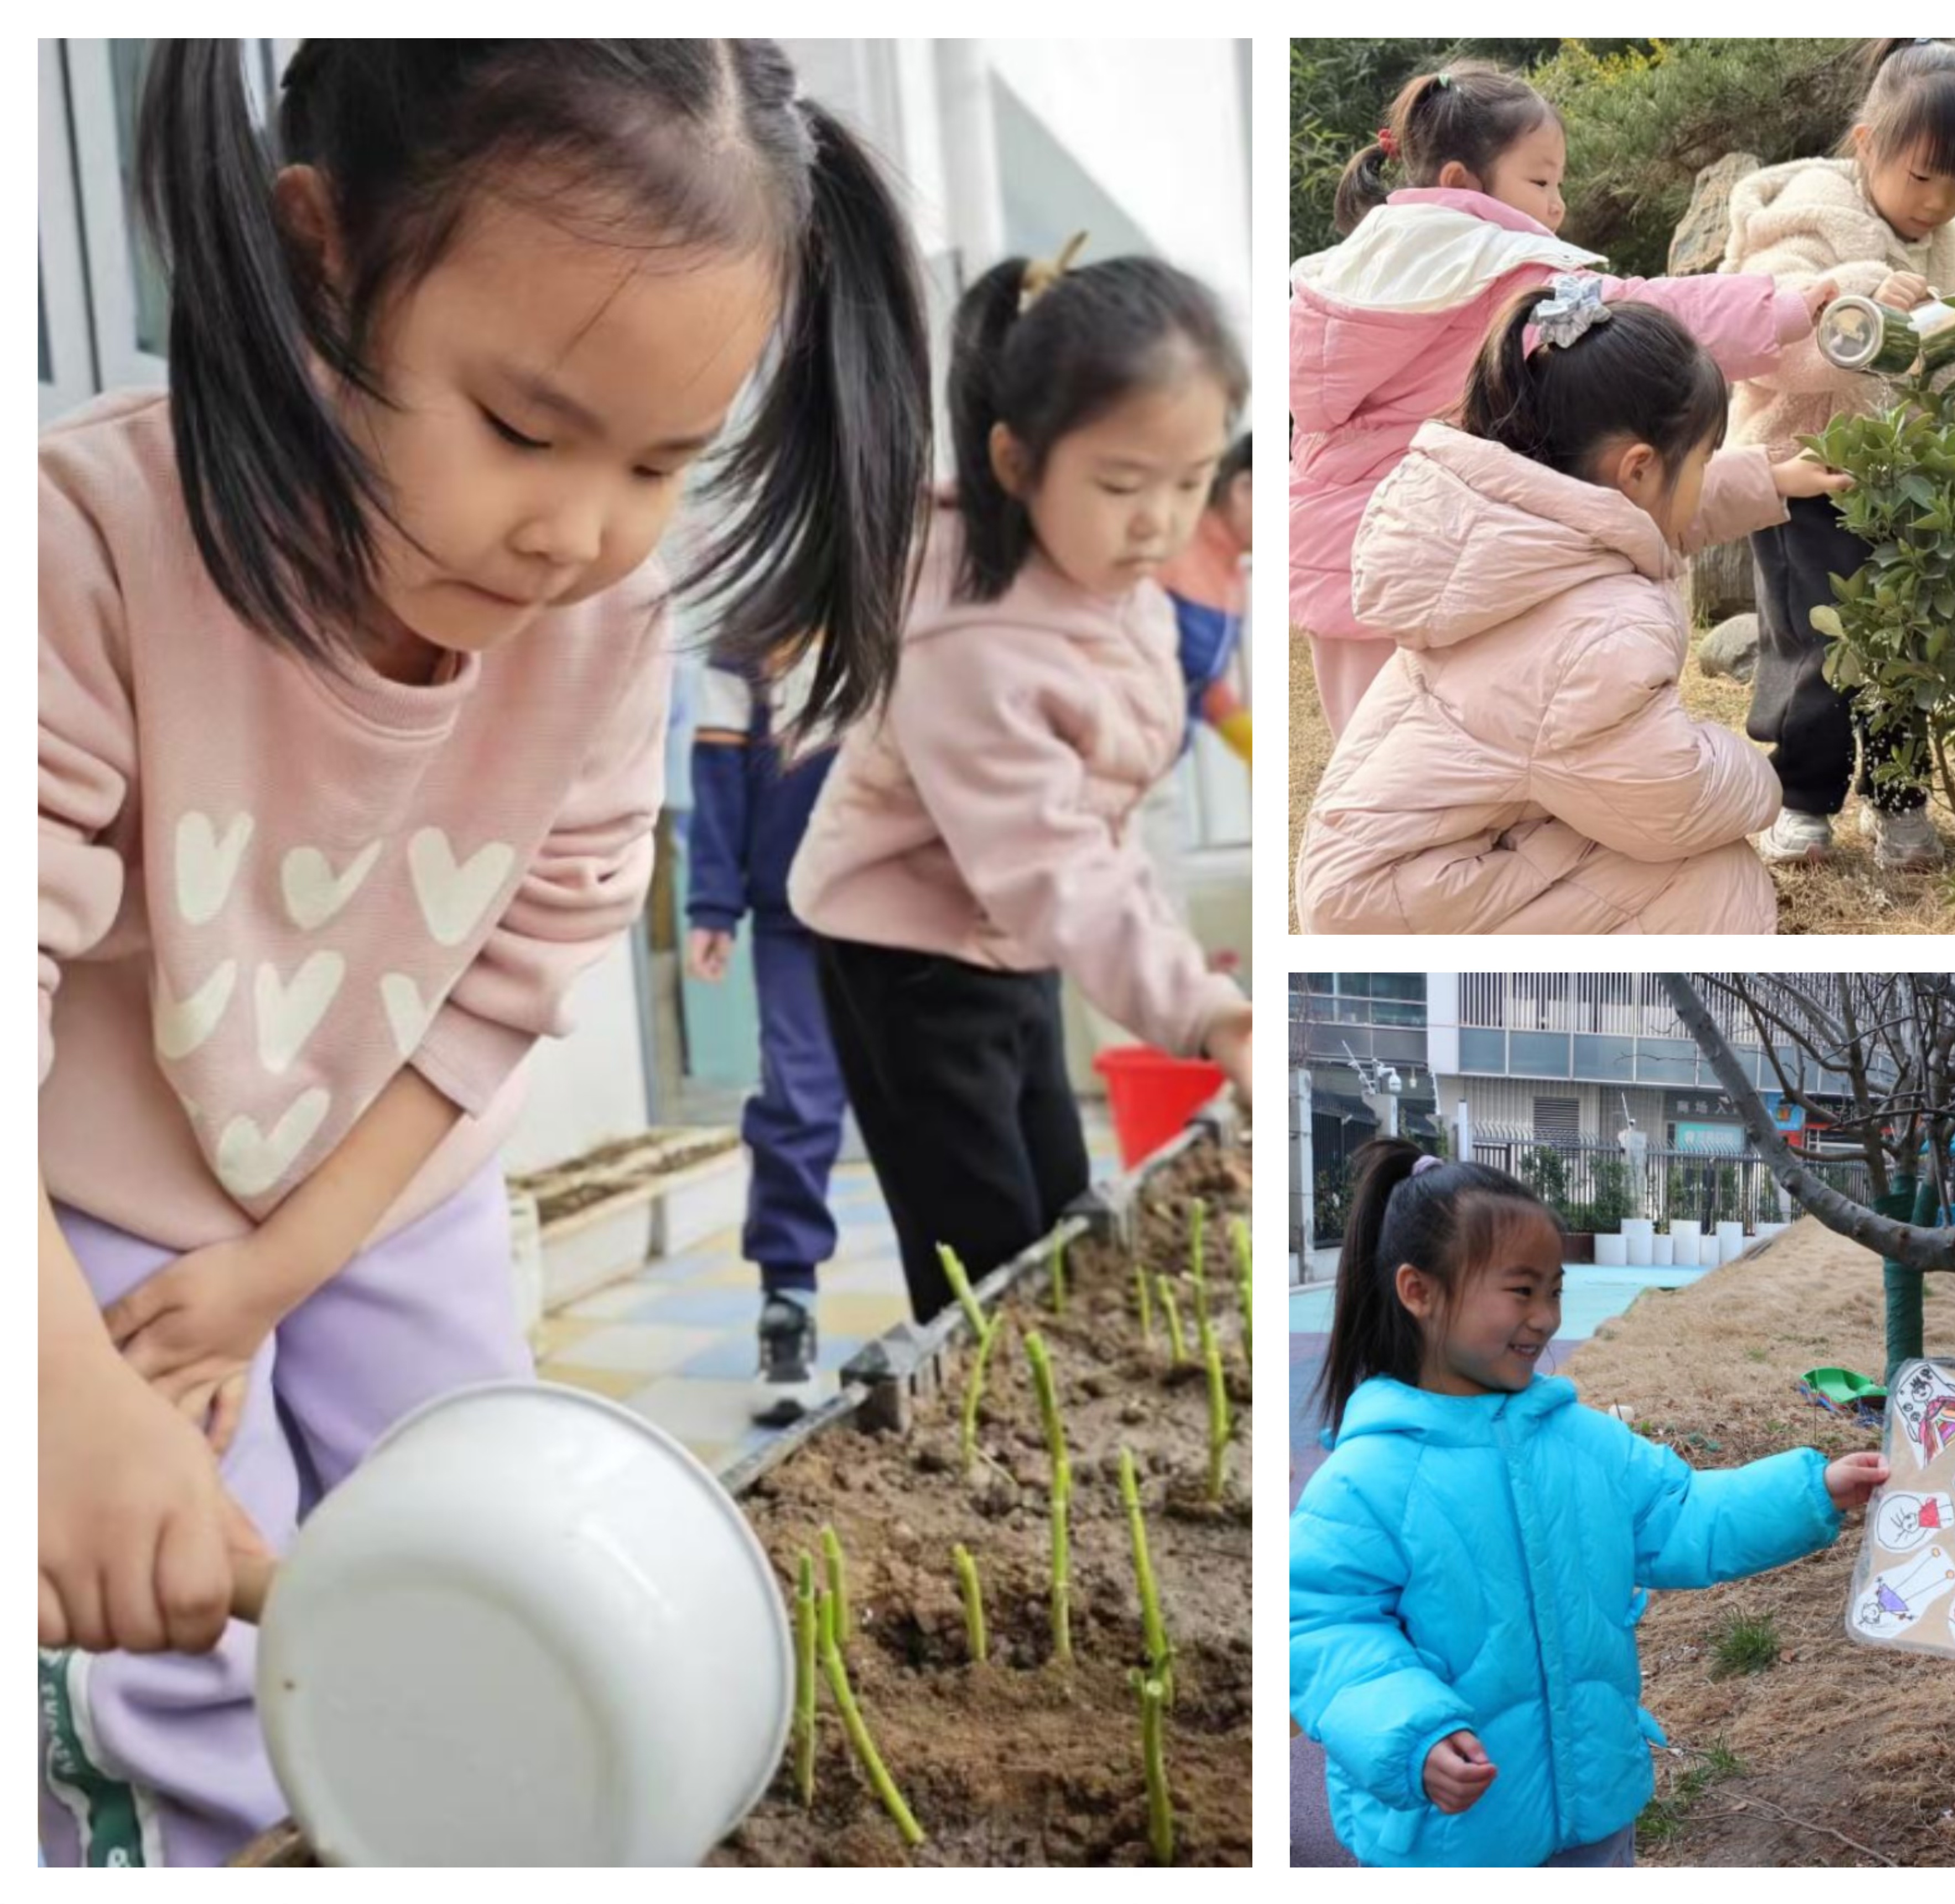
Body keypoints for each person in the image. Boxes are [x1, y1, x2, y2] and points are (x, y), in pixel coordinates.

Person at [36, 40, 932, 1866]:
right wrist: (50, 1391)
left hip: (387, 1176)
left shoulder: (604, 613)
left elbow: (518, 968)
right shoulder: (80, 552)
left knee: (465, 1516)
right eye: (525, 428)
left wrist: (291, 1260)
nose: (578, 531)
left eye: (663, 461)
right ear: (319, 260)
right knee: (182, 1615)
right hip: (95, 1206)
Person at [789, 247, 1256, 1329]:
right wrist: (1199, 1005)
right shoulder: (974, 638)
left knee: (1055, 1204)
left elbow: (1092, 833)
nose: (1159, 522)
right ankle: (982, 1446)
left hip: (1008, 931)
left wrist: (1188, 982)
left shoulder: (1111, 571)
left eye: (1189, 484)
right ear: (1015, 461)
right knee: (981, 1247)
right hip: (907, 954)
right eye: (1121, 484)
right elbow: (1054, 862)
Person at [1291, 1141, 1889, 1866]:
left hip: (1594, 1807)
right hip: (1449, 1835)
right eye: (1520, 1290)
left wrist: (1814, 1490)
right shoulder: (1368, 1477)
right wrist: (1408, 1731)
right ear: (1418, 1291)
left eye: (1554, 1290)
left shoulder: (1584, 1443)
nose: (1543, 1317)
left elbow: (1685, 1514)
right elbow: (1323, 1629)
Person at [1291, 60, 1840, 741]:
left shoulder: (1341, 278)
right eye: (1541, 181)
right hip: (1443, 545)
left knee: (1369, 758)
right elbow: (1643, 313)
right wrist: (1784, 310)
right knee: (1457, 748)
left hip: (1336, 561)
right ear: (1462, 182)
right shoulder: (1503, 270)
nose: (1557, 205)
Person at [1293, 279, 1850, 934]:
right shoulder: (1597, 631)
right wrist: (1763, 779)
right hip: (1407, 901)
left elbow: (1649, 521)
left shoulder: (1510, 525)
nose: (1705, 474)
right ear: (1638, 469)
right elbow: (1672, 802)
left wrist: (1768, 477)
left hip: (1380, 873)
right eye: (1704, 459)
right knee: (1710, 879)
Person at [1722, 38, 1955, 872]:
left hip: (1909, 482)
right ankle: (1804, 802)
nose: (1938, 202)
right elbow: (1760, 346)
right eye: (1921, 177)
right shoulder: (1802, 218)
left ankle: (1899, 799)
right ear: (1865, 143)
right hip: (1806, 474)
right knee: (1815, 645)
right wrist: (1856, 299)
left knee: (1907, 643)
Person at [685, 657, 852, 1423]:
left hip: (920, 900)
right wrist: (713, 903)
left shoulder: (914, 600)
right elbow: (717, 774)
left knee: (937, 1107)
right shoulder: (749, 639)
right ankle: (788, 1301)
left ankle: (966, 1307)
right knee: (796, 1099)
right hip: (796, 911)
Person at [1157, 431, 1254, 768]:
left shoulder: (1235, 577)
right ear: (1243, 490)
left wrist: (1247, 739)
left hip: (1163, 755)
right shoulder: (1170, 546)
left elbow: (1198, 680)